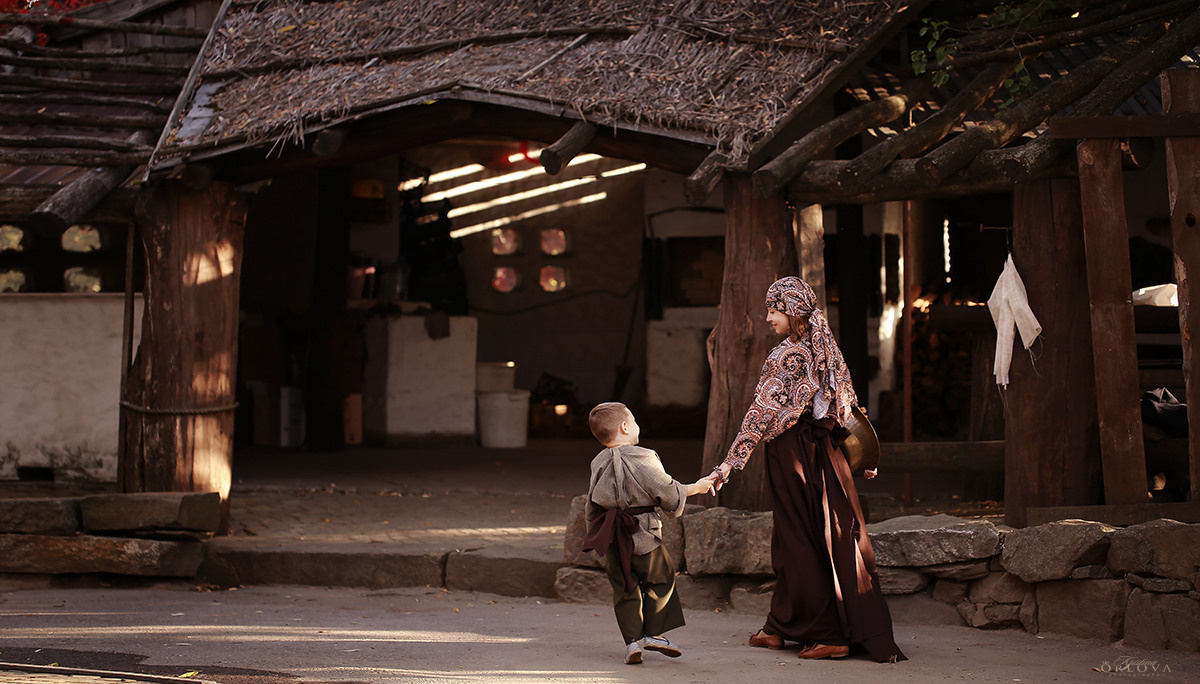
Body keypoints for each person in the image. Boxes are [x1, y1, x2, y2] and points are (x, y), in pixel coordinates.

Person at [707, 276, 906, 663]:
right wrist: (865, 460)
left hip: (794, 455)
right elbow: (846, 407)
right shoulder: (826, 348)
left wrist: (730, 464)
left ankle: (829, 634)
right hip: (825, 456)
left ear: (794, 310)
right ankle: (780, 626)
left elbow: (759, 414)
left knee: (798, 540)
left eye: (774, 309)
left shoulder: (788, 355)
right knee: (810, 537)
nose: (768, 317)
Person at [582, 401, 715, 665]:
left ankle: (632, 642)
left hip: (612, 537)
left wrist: (595, 536)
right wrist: (696, 488)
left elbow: (591, 505)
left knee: (624, 587)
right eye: (634, 420)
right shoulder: (644, 456)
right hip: (644, 534)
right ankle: (654, 635)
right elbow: (666, 490)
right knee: (660, 579)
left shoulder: (597, 462)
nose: (637, 425)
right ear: (624, 426)